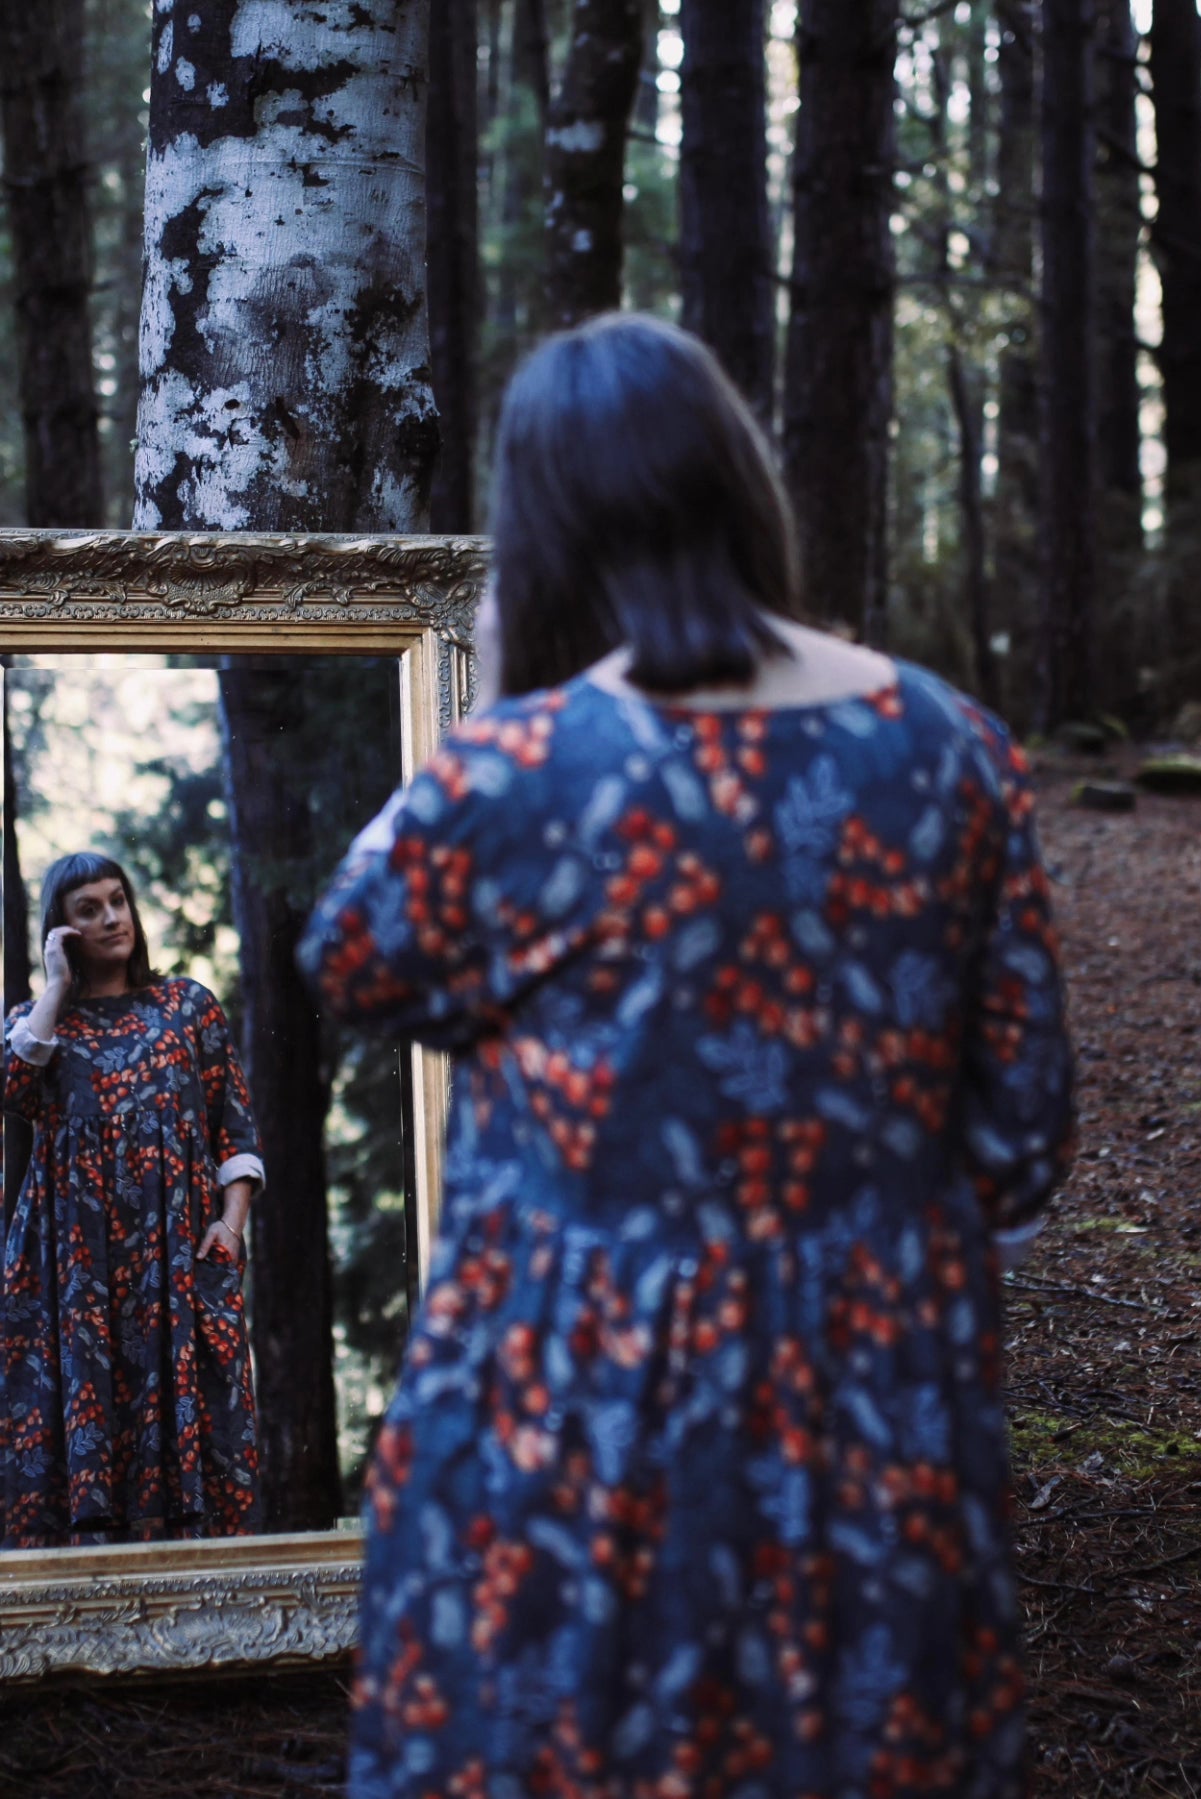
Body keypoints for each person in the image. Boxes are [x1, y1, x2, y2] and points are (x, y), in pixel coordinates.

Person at [301, 313, 1074, 1799]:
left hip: (562, 1424)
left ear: (538, 532)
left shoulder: (513, 779)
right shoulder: (955, 750)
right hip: (875, 1414)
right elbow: (1025, 1137)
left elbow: (351, 951)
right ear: (742, 485)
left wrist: (512, 690)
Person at [1, 852, 264, 1547]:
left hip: (173, 1266)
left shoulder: (186, 1007)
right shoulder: (38, 1024)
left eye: (117, 900)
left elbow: (235, 1131)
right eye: (88, 908)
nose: (111, 917)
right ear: (61, 929)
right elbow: (12, 1091)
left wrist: (230, 1228)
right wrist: (56, 990)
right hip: (72, 1274)